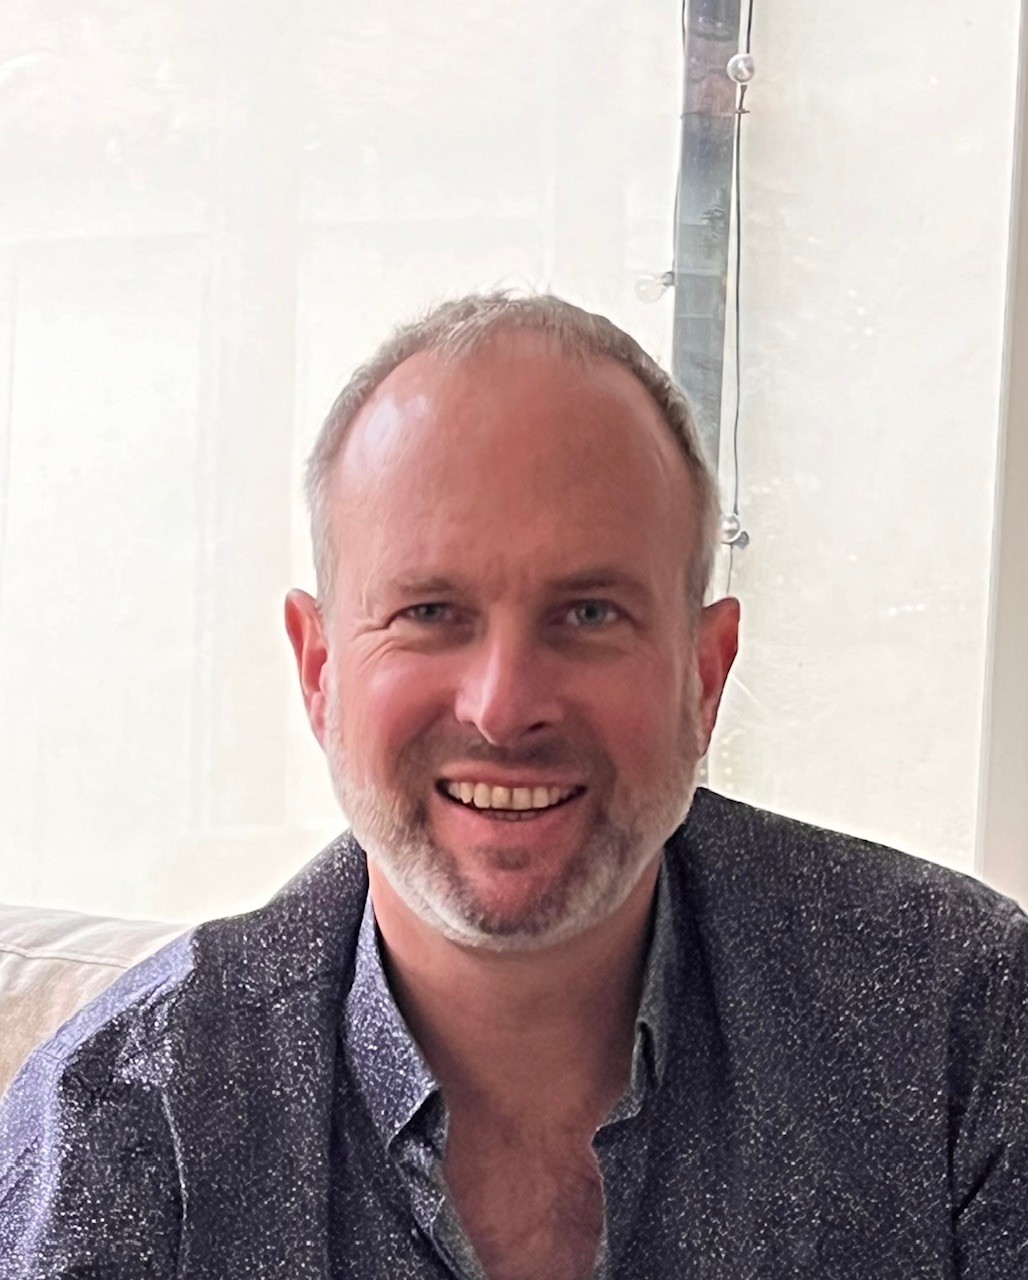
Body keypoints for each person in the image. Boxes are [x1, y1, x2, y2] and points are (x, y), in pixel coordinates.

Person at [1, 293, 1026, 1280]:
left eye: (589, 614)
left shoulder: (957, 1025)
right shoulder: (125, 1127)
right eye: (430, 611)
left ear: (704, 676)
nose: (502, 706)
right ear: (319, 671)